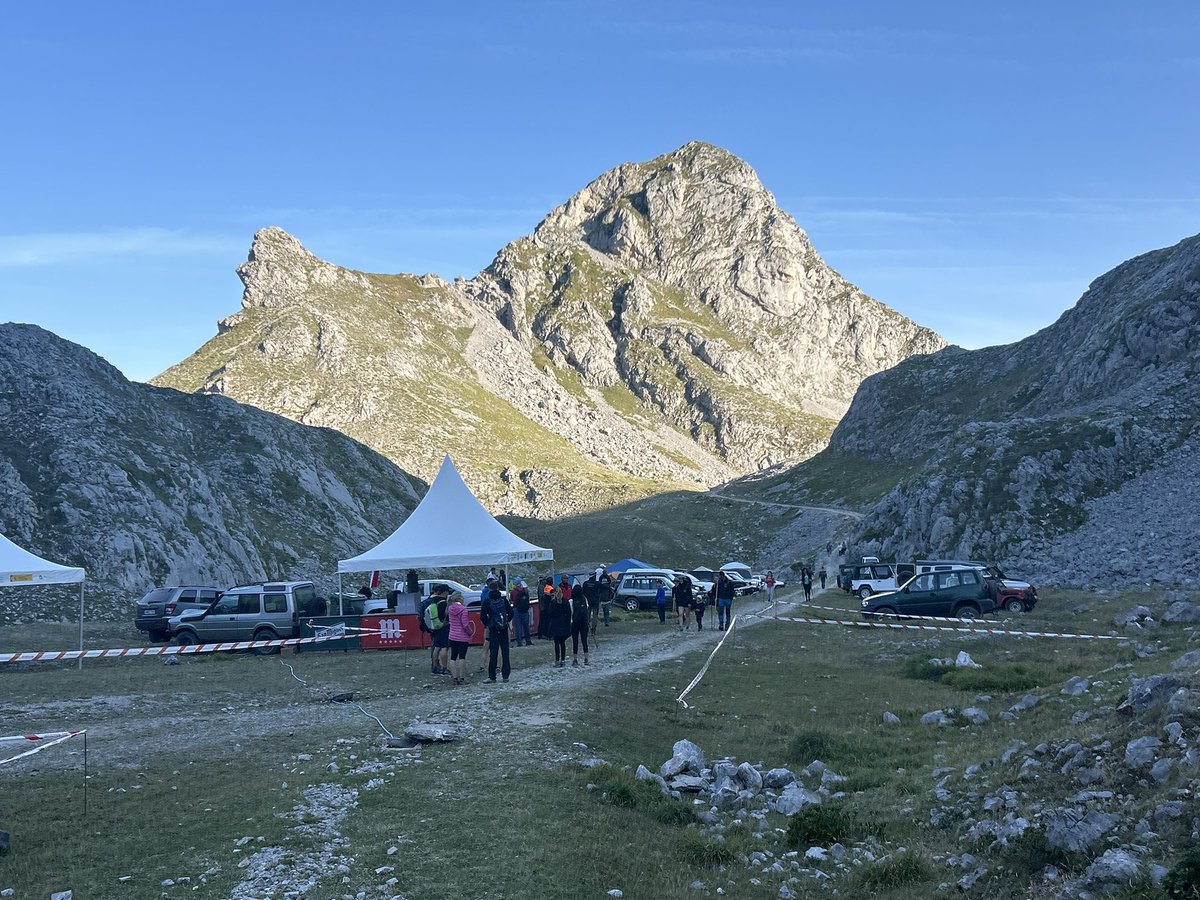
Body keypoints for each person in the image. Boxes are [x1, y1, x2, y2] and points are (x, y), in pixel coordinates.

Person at [479, 586, 513, 683]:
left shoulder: (487, 602)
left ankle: (492, 676)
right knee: (505, 652)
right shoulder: (504, 601)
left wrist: (488, 624)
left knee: (493, 653)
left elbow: (482, 616)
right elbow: (511, 613)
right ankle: (505, 675)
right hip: (503, 629)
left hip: (493, 629)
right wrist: (506, 622)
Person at [447, 591, 472, 685]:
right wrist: (470, 632)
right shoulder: (463, 610)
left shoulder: (450, 608)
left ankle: (454, 678)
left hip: (452, 635)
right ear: (460, 598)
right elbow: (465, 625)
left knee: (453, 657)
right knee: (462, 657)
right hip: (462, 636)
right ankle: (461, 678)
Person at [427, 586, 451, 676]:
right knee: (444, 647)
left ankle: (435, 666)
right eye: (447, 592)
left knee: (436, 647)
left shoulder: (433, 600)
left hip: (435, 626)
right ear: (444, 592)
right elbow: (444, 615)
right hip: (443, 627)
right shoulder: (443, 603)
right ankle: (444, 668)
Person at [547, 586, 572, 668]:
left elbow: (550, 613)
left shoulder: (553, 602)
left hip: (556, 624)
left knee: (556, 643)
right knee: (562, 643)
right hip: (564, 624)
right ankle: (563, 660)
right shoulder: (565, 601)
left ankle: (557, 660)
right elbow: (569, 613)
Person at [570, 584, 590, 666]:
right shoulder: (585, 599)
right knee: (584, 640)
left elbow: (571, 613)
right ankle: (586, 658)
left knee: (575, 641)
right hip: (584, 622)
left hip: (575, 623)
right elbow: (587, 609)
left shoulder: (571, 601)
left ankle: (575, 659)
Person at [510, 579, 532, 646]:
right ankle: (528, 641)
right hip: (525, 610)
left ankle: (519, 642)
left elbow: (511, 600)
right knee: (526, 626)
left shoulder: (513, 592)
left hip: (516, 610)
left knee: (518, 627)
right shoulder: (525, 590)